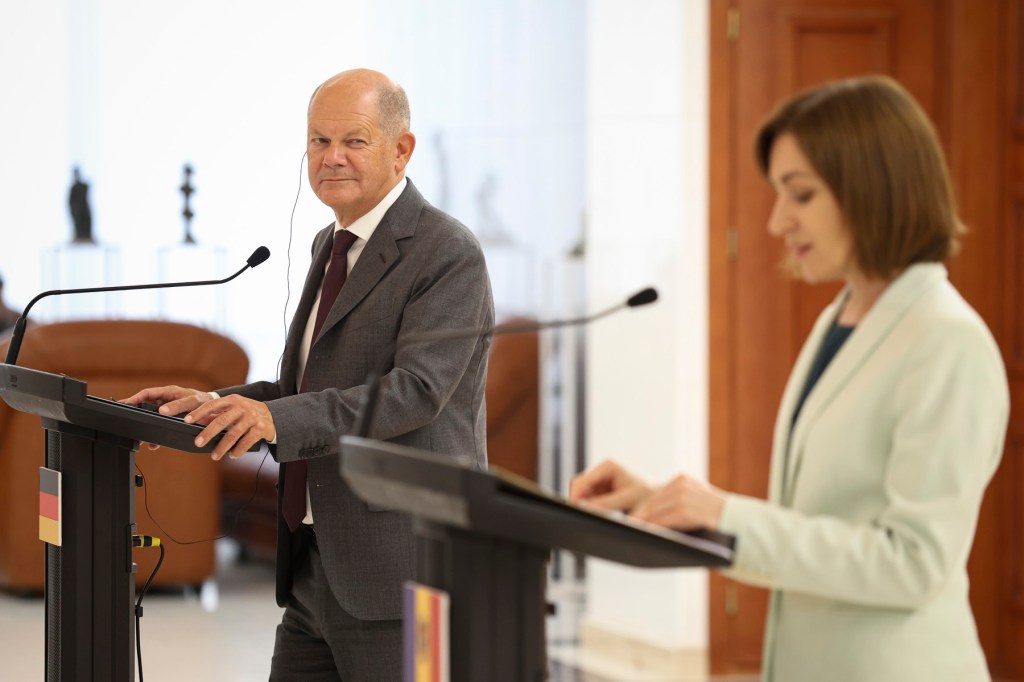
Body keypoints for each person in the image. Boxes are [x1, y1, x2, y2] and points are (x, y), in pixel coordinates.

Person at [570, 75, 1008, 682]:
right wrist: (668, 506)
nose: (778, 222)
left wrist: (728, 515)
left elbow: (914, 563)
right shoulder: (841, 318)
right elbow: (817, 526)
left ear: (873, 188)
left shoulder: (946, 341)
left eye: (800, 195)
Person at [126, 69, 494, 680]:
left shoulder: (447, 251)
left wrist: (274, 418)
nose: (332, 157)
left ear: (401, 149)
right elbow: (303, 389)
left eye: (354, 140)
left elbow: (415, 394)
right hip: (314, 565)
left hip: (402, 568)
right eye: (319, 141)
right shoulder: (331, 242)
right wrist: (211, 404)